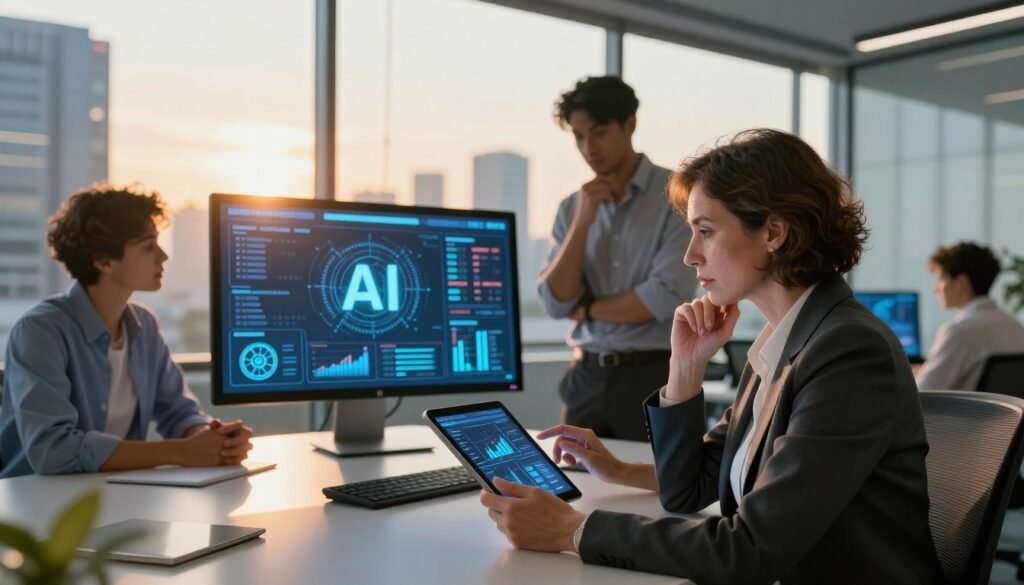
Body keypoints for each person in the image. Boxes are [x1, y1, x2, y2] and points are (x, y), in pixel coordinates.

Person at [482, 129, 941, 584]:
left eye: (706, 231)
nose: (690, 255)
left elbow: (747, 552)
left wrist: (573, 529)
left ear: (774, 232)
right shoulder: (782, 343)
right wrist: (685, 369)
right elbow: (690, 489)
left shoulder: (847, 351)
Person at [0, 185, 253, 478]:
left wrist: (215, 440)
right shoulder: (40, 331)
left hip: (116, 495)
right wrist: (181, 452)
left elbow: (179, 412)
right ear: (104, 261)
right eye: (148, 247)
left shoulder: (144, 325)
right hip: (38, 509)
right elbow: (53, 450)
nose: (163, 256)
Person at [538, 76, 697, 441]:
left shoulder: (677, 196)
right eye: (578, 136)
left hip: (651, 375)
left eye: (599, 132)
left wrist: (587, 309)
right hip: (585, 376)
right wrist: (582, 223)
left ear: (629, 124)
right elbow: (555, 302)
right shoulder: (571, 207)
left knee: (656, 489)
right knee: (572, 487)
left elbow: (664, 297)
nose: (589, 147)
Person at [915, 241, 1024, 391]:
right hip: (1006, 415)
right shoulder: (1015, 327)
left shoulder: (960, 332)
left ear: (961, 282)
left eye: (940, 278)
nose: (936, 288)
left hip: (969, 414)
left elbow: (922, 393)